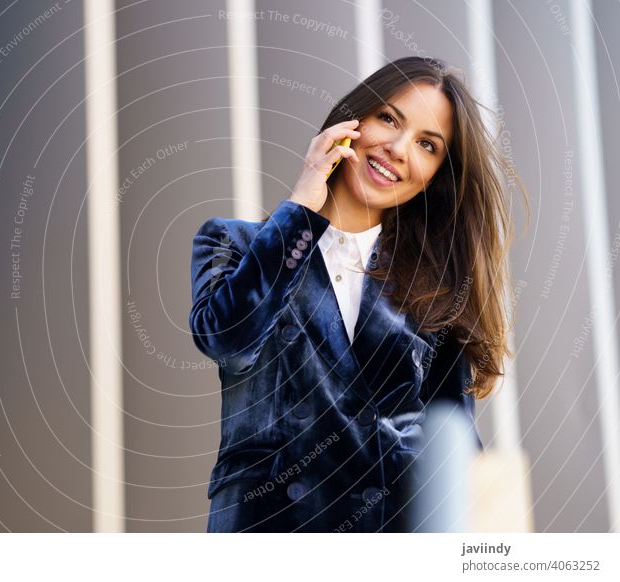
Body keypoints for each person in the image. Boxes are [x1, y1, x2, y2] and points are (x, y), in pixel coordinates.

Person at [188, 56, 529, 532]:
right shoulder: (234, 243)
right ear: (353, 119)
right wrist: (301, 210)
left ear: (436, 175)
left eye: (427, 145)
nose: (398, 148)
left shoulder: (435, 291)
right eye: (389, 118)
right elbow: (229, 340)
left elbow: (452, 446)